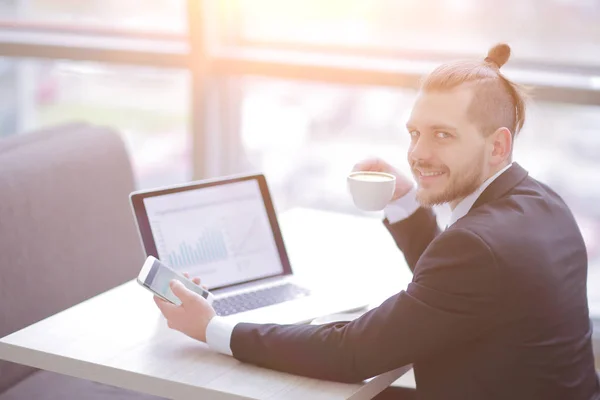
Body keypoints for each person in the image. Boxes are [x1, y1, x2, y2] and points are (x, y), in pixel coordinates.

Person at [153, 43, 600, 400]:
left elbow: (353, 354)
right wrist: (405, 202)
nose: (419, 152)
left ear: (497, 147)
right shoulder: (543, 204)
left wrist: (211, 328)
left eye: (443, 135)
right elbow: (459, 291)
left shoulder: (475, 249)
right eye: (415, 132)